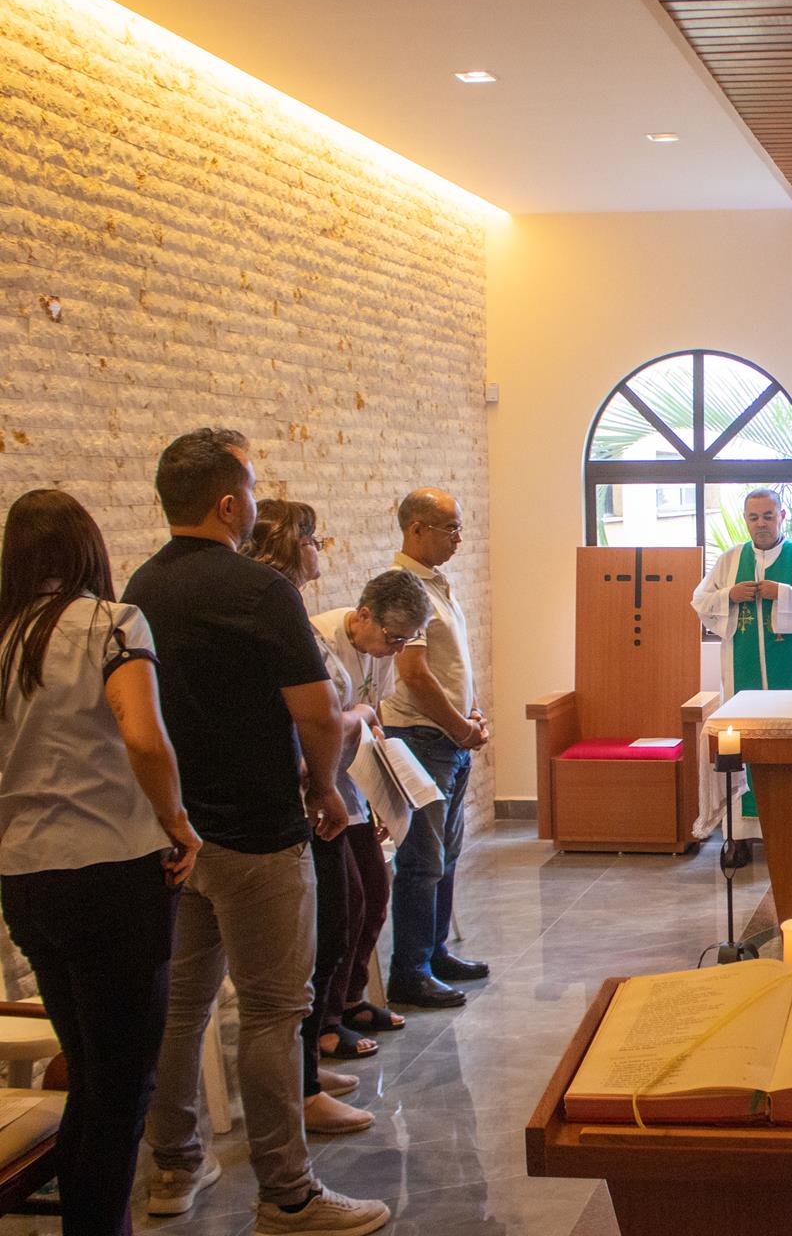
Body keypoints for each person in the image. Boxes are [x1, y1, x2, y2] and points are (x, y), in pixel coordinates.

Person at [127, 429, 388, 1232]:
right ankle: (288, 1193)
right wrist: (327, 787)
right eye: (248, 486)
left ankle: (174, 1167)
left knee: (183, 1010)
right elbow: (317, 711)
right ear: (227, 503)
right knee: (275, 1012)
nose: (251, 499)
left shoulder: (142, 586)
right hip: (259, 831)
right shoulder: (260, 590)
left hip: (180, 835)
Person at [0, 489, 201, 1236]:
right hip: (112, 869)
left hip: (25, 874)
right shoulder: (110, 624)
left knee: (89, 1071)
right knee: (122, 1087)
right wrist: (178, 823)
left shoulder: (5, 638)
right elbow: (143, 736)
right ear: (88, 547)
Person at [243, 501, 377, 1137]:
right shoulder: (274, 608)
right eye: (313, 538)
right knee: (319, 936)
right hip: (302, 797)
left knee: (339, 918)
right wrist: (352, 728)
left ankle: (309, 1068)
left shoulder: (287, 608)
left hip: (318, 791)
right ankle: (300, 1089)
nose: (321, 547)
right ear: (288, 545)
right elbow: (314, 715)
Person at [310, 570, 431, 1047]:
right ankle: (323, 1023)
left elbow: (372, 715)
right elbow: (327, 723)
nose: (397, 650)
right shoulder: (320, 641)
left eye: (406, 640)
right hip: (319, 792)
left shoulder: (377, 647)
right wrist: (361, 718)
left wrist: (383, 791)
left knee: (377, 891)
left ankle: (350, 999)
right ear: (363, 616)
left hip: (354, 784)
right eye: (393, 638)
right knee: (346, 903)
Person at [382, 487, 488, 1010]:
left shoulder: (435, 582)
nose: (459, 538)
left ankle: (436, 952)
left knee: (446, 853)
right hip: (424, 738)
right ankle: (411, 970)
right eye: (451, 528)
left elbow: (452, 664)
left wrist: (472, 713)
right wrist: (460, 728)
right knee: (422, 861)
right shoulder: (404, 587)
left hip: (448, 736)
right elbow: (415, 674)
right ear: (416, 529)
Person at [689, 489, 792, 838]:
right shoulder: (729, 560)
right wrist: (729, 595)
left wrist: (782, 593)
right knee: (743, 746)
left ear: (782, 516)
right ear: (746, 520)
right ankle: (740, 835)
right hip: (743, 675)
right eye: (754, 517)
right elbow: (700, 601)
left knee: (790, 744)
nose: (761, 523)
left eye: (768, 516)